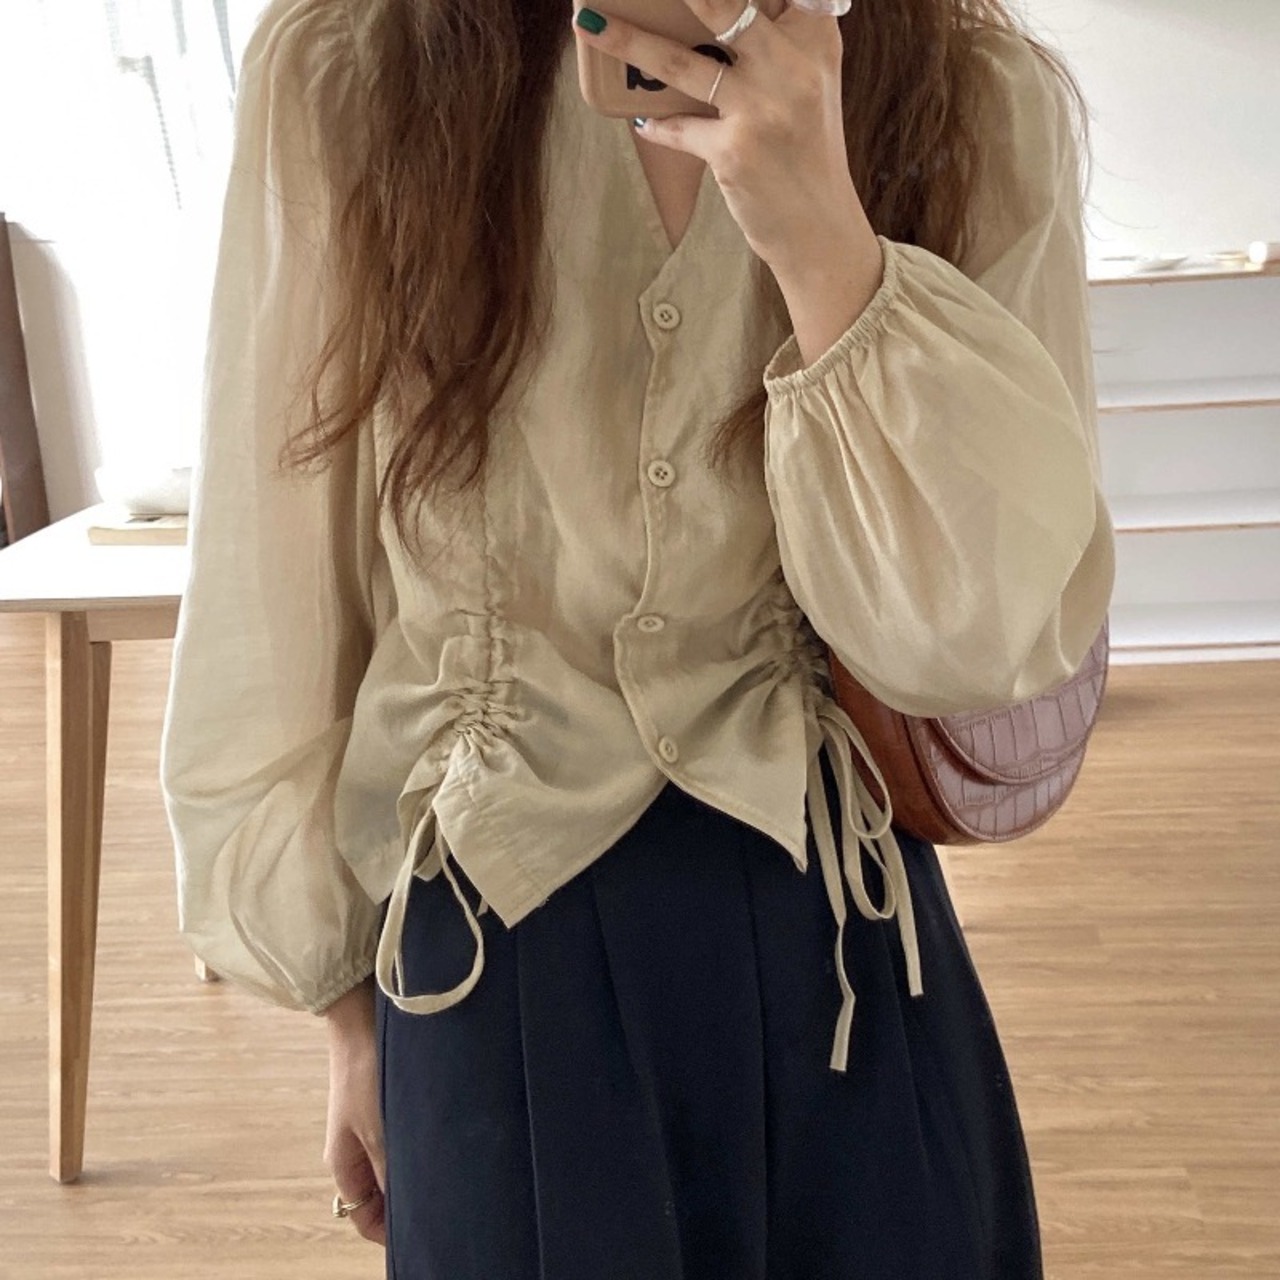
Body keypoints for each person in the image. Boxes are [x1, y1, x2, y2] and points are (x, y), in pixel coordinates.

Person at [159, 0, 1115, 1275]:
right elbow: (273, 569)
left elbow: (983, 633)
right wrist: (344, 1012)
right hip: (493, 945)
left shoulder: (970, 96)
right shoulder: (354, 63)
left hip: (837, 930)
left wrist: (827, 247)